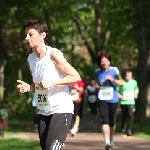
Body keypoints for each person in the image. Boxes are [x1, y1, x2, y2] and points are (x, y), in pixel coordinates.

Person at [17, 19, 81, 150]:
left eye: (30, 34)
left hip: (61, 109)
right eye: (26, 35)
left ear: (43, 35)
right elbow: (40, 85)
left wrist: (51, 83)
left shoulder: (53, 54)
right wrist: (29, 88)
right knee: (46, 147)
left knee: (52, 148)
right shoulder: (31, 59)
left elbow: (75, 76)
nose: (26, 38)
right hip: (44, 109)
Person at [95, 53, 124, 150]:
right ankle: (107, 142)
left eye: (105, 61)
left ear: (109, 61)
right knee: (105, 120)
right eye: (102, 61)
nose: (104, 63)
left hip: (113, 99)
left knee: (112, 121)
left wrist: (113, 80)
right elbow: (97, 83)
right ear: (100, 62)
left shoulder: (114, 70)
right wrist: (96, 86)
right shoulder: (97, 72)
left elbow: (122, 83)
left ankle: (111, 137)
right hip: (102, 98)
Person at [117, 69, 139, 136]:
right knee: (124, 115)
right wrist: (120, 96)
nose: (128, 76)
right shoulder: (121, 82)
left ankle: (129, 130)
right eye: (127, 75)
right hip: (123, 102)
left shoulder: (134, 82)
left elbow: (136, 88)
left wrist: (136, 94)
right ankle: (123, 125)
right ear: (124, 75)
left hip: (131, 101)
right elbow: (116, 91)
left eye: (129, 75)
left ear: (131, 76)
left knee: (130, 115)